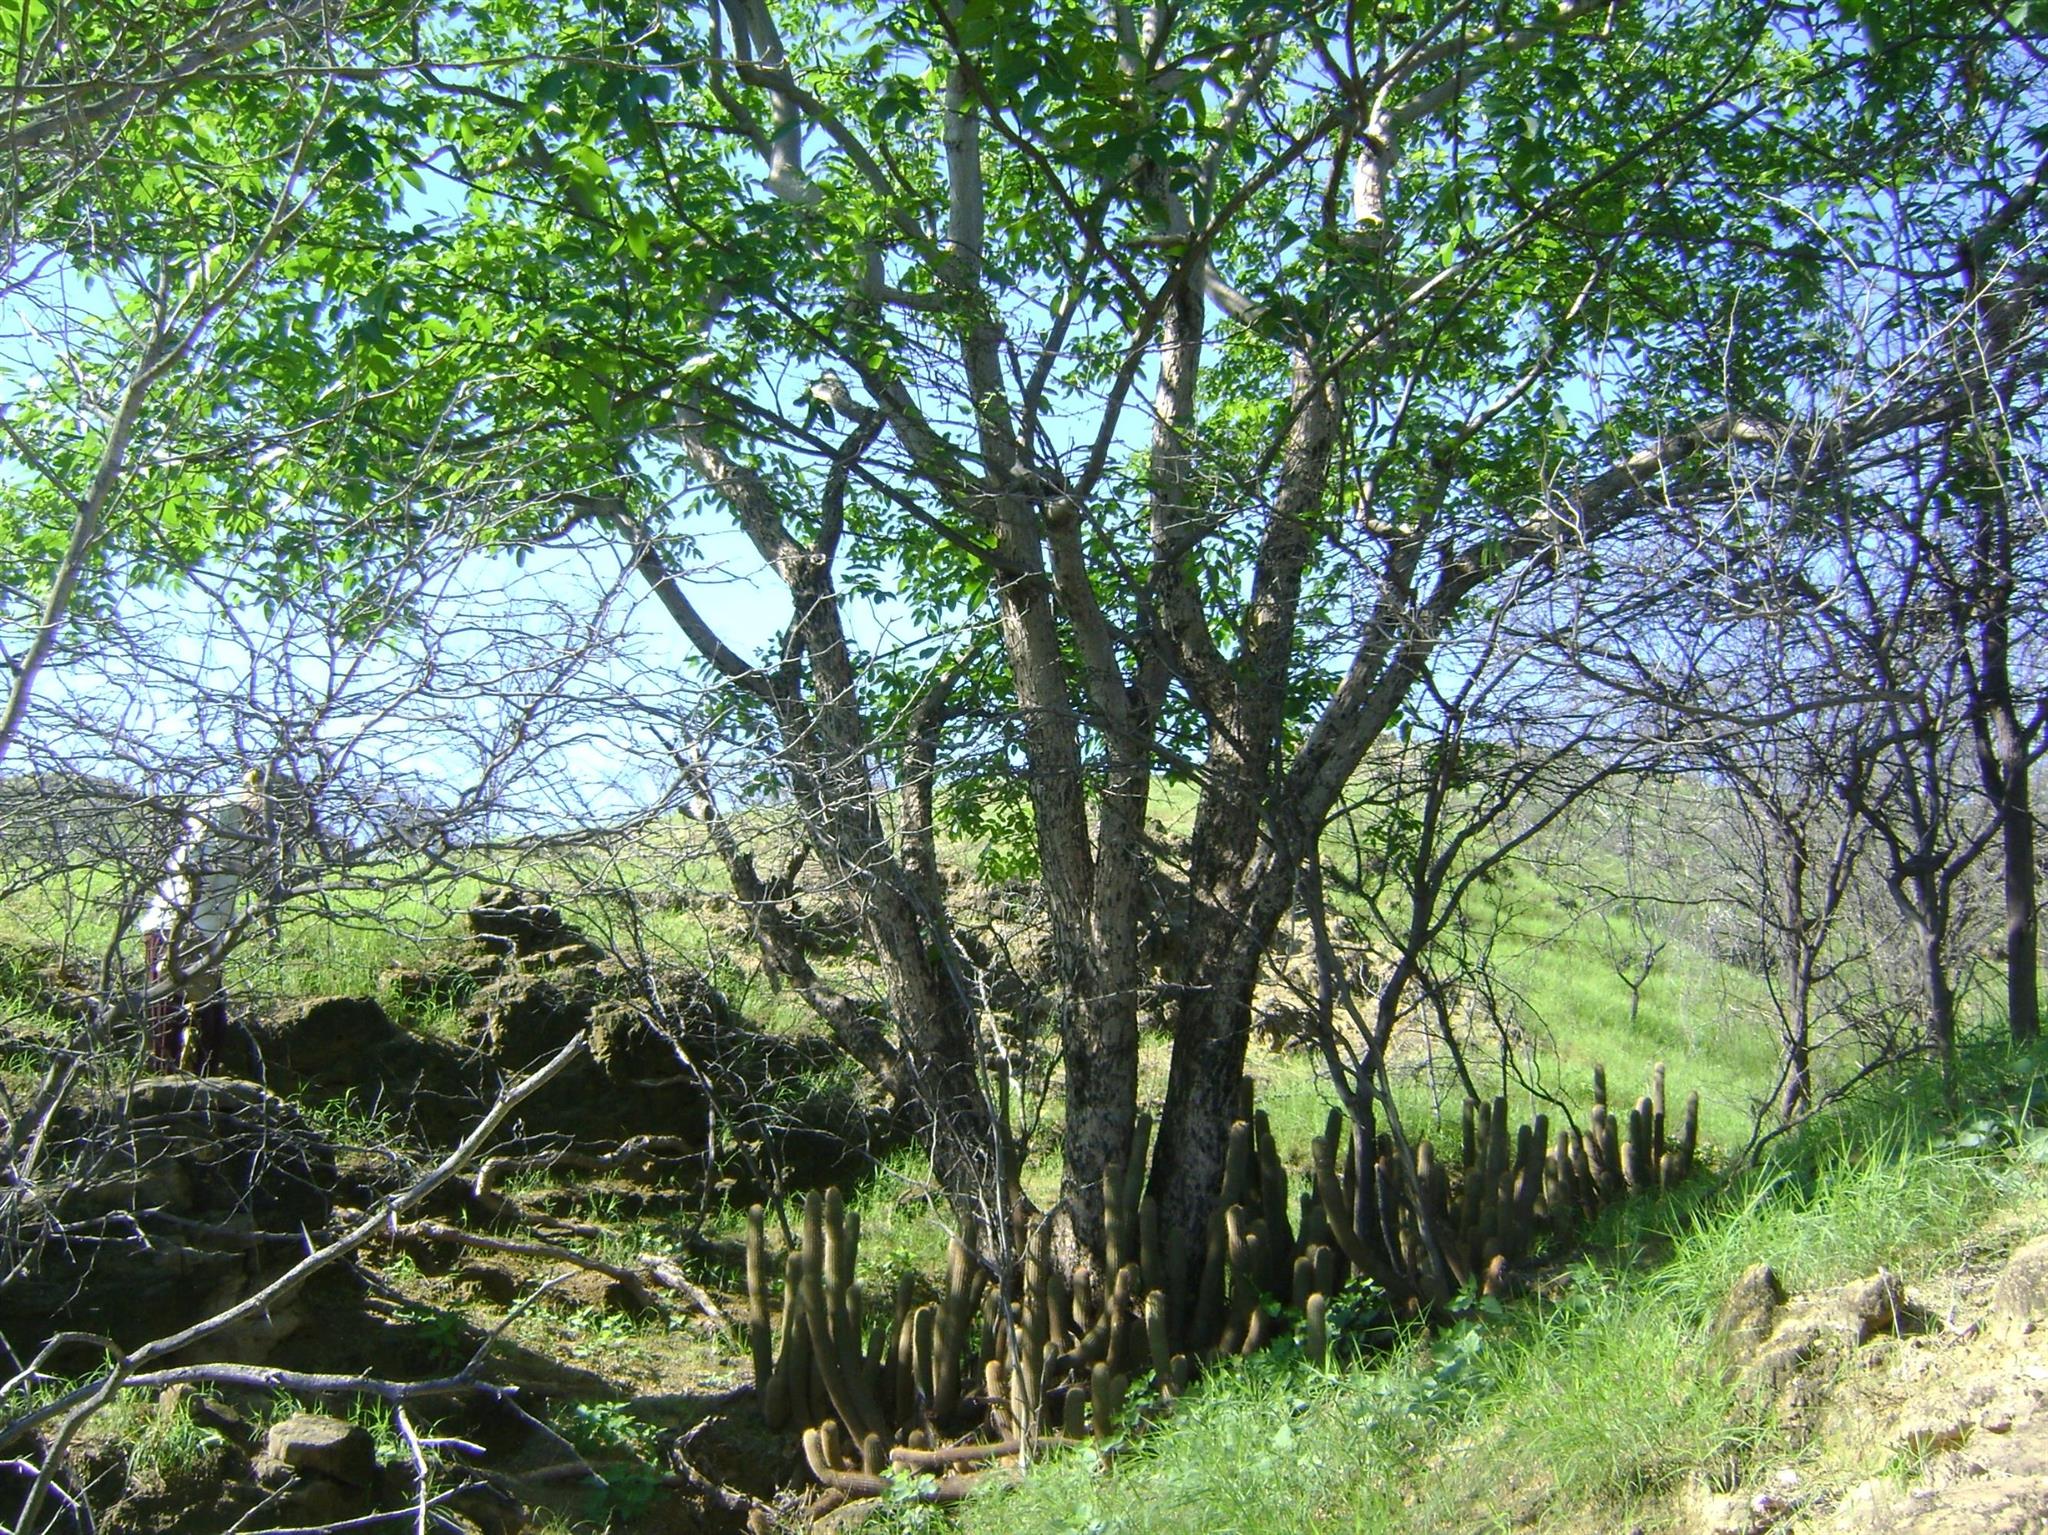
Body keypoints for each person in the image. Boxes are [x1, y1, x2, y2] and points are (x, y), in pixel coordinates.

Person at [138, 769, 270, 1073]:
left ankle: (195, 1082)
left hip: (204, 930)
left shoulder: (248, 822)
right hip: (179, 924)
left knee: (208, 1019)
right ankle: (167, 1085)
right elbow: (195, 864)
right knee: (170, 1015)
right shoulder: (223, 811)